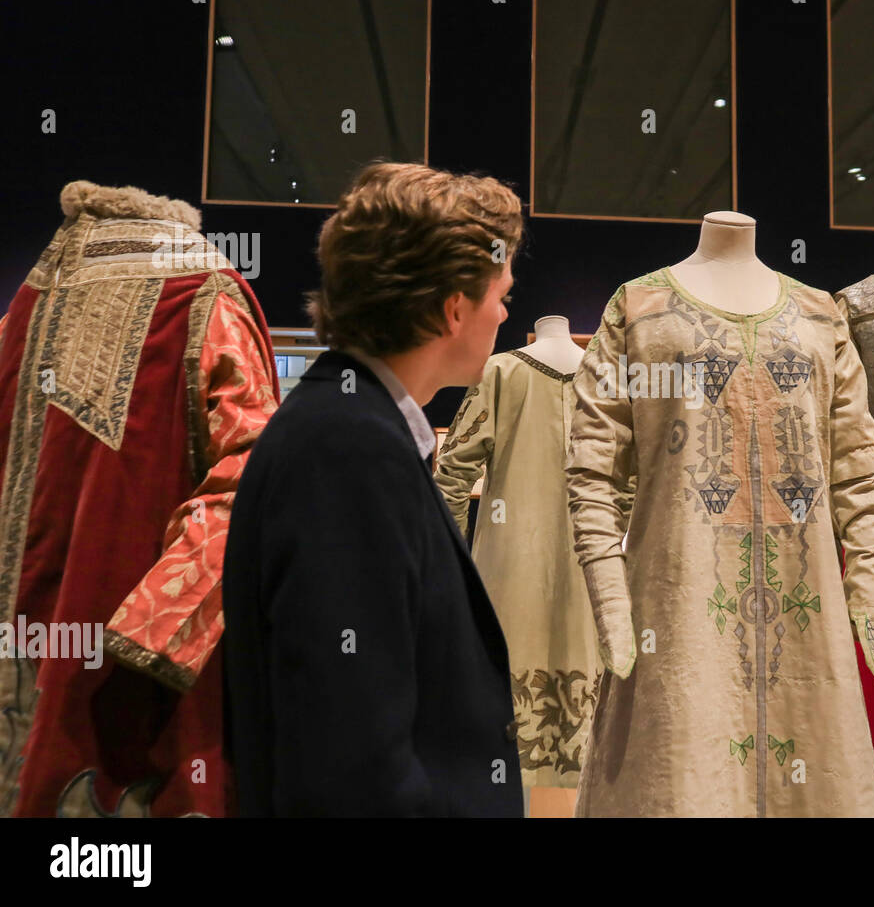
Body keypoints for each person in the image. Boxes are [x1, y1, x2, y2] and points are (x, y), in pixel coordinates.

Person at [222, 162, 525, 816]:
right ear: (452, 310)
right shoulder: (348, 448)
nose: (504, 310)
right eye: (500, 293)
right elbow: (350, 763)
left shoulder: (356, 427)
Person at [0, 180, 278, 816]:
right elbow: (255, 473)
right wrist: (162, 626)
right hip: (133, 679)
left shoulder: (27, 300)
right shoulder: (206, 290)